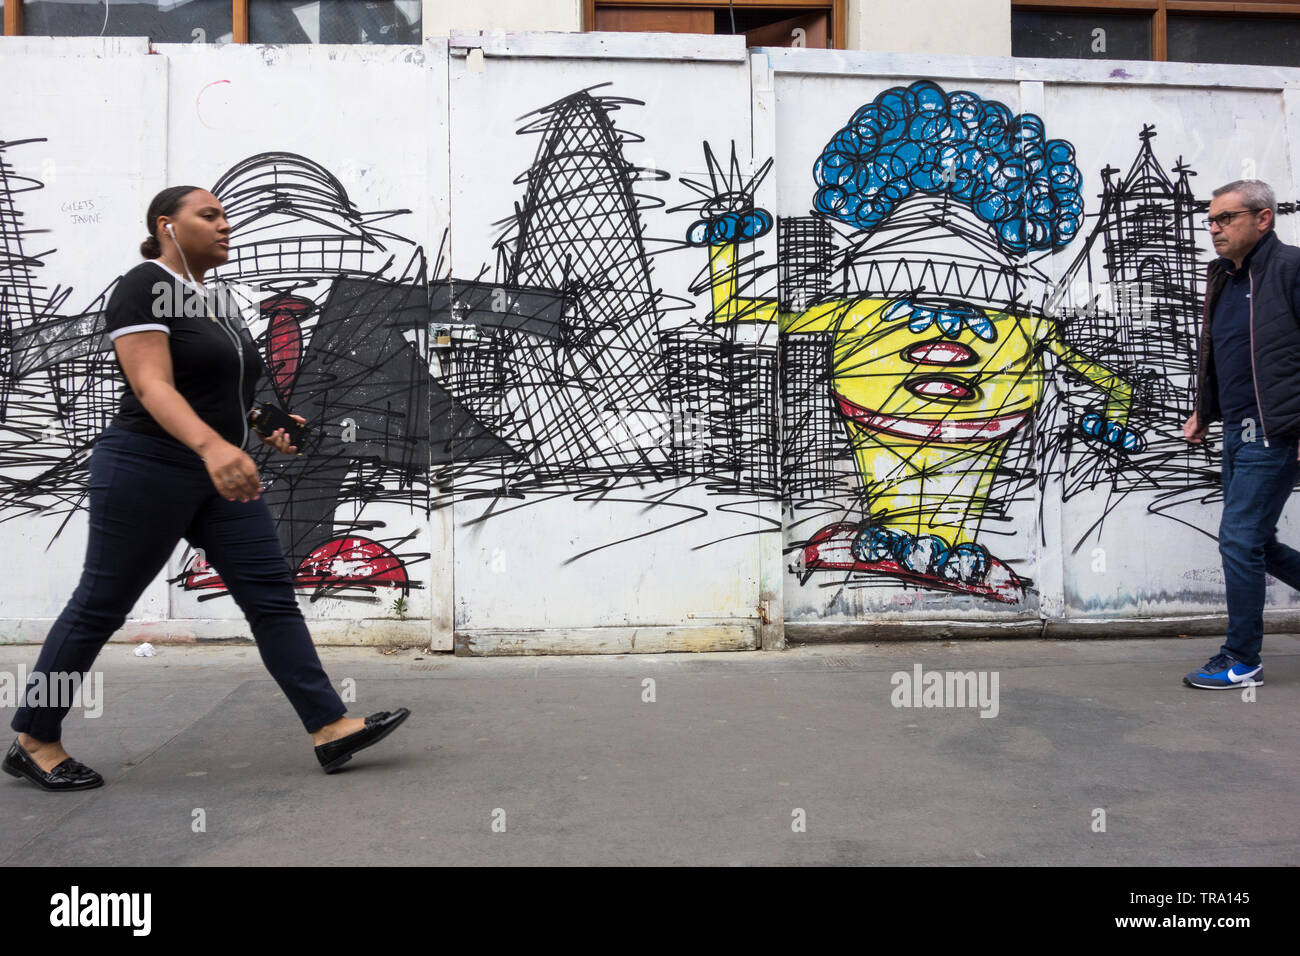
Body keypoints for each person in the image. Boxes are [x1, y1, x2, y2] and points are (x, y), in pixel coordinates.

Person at [3, 186, 409, 791]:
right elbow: (153, 387)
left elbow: (223, 390)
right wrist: (214, 446)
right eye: (210, 215)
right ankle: (35, 739)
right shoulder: (142, 286)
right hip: (147, 466)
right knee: (99, 606)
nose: (225, 226)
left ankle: (330, 726)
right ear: (168, 226)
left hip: (216, 472)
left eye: (225, 216)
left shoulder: (214, 300)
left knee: (269, 595)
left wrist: (262, 422)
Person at [1182, 178, 1300, 689]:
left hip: (1276, 432)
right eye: (1211, 220)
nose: (1215, 229)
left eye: (1225, 218)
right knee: (1256, 543)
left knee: (1237, 540)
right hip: (1236, 429)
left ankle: (1242, 658)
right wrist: (1203, 412)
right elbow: (1219, 351)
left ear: (1263, 218)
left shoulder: (1291, 269)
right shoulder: (1222, 278)